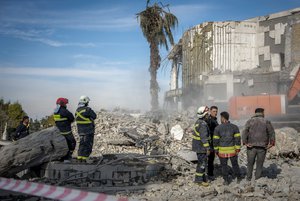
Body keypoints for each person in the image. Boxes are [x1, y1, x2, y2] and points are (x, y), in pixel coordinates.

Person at [242, 108, 275, 181]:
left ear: (255, 113)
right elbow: (271, 132)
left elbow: (244, 131)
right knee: (259, 164)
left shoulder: (249, 121)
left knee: (250, 163)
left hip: (251, 146)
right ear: (262, 113)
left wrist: (245, 142)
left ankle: (248, 178)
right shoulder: (266, 121)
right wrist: (271, 143)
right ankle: (257, 179)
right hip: (262, 147)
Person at [213, 111, 242, 185]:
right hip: (232, 151)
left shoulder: (217, 128)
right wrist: (237, 148)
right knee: (235, 164)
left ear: (223, 118)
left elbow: (215, 141)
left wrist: (216, 150)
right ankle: (238, 178)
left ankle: (226, 180)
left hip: (222, 152)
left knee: (224, 166)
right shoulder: (234, 127)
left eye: (220, 118)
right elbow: (237, 139)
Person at [192, 106, 210, 187]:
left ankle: (200, 178)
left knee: (200, 162)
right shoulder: (203, 124)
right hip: (201, 147)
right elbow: (204, 138)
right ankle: (199, 180)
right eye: (207, 114)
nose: (208, 115)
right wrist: (207, 148)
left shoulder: (198, 122)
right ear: (204, 115)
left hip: (198, 146)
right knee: (202, 163)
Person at [75, 95, 97, 162]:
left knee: (82, 144)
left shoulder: (77, 110)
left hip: (80, 131)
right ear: (86, 102)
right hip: (88, 131)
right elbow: (94, 116)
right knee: (88, 144)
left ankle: (79, 157)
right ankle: (85, 158)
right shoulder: (88, 109)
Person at [205, 105, 219, 179]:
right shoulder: (209, 120)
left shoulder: (214, 120)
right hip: (210, 143)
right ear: (210, 111)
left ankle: (210, 173)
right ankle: (209, 174)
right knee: (210, 159)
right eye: (214, 111)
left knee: (211, 159)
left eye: (216, 111)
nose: (215, 113)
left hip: (213, 143)